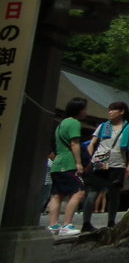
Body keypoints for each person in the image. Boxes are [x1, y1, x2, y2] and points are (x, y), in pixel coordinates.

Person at [82, 101, 129, 232]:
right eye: (110, 110)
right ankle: (86, 223)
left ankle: (111, 221)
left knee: (114, 194)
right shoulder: (103, 126)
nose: (110, 112)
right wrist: (89, 160)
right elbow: (92, 143)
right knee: (92, 193)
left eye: (113, 110)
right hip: (99, 161)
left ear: (121, 112)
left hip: (117, 163)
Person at [48, 98, 89, 236]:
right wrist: (78, 162)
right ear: (79, 110)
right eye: (84, 109)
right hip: (68, 163)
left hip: (57, 163)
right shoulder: (74, 123)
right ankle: (67, 224)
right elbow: (74, 143)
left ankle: (53, 225)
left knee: (57, 194)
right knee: (79, 192)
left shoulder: (61, 124)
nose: (86, 112)